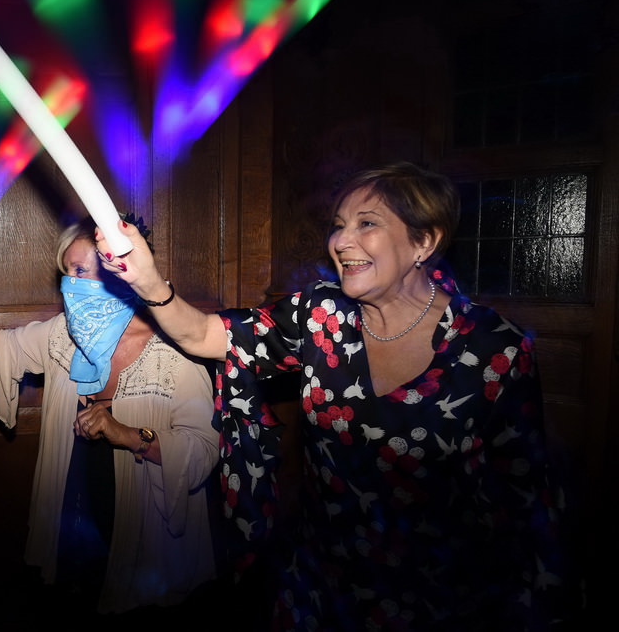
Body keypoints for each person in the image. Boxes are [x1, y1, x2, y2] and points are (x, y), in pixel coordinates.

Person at [95, 162, 577, 630]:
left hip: (437, 596)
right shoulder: (320, 316)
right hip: (320, 582)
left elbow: (526, 499)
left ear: (423, 242)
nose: (341, 242)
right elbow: (205, 335)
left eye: (367, 224)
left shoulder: (496, 349)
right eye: (339, 225)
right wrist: (147, 281)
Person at [0, 214, 220, 616]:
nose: (71, 284)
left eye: (81, 270)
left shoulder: (177, 350)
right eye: (67, 272)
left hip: (146, 541)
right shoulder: (64, 335)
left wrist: (127, 434)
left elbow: (204, 452)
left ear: (122, 273)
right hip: (73, 531)